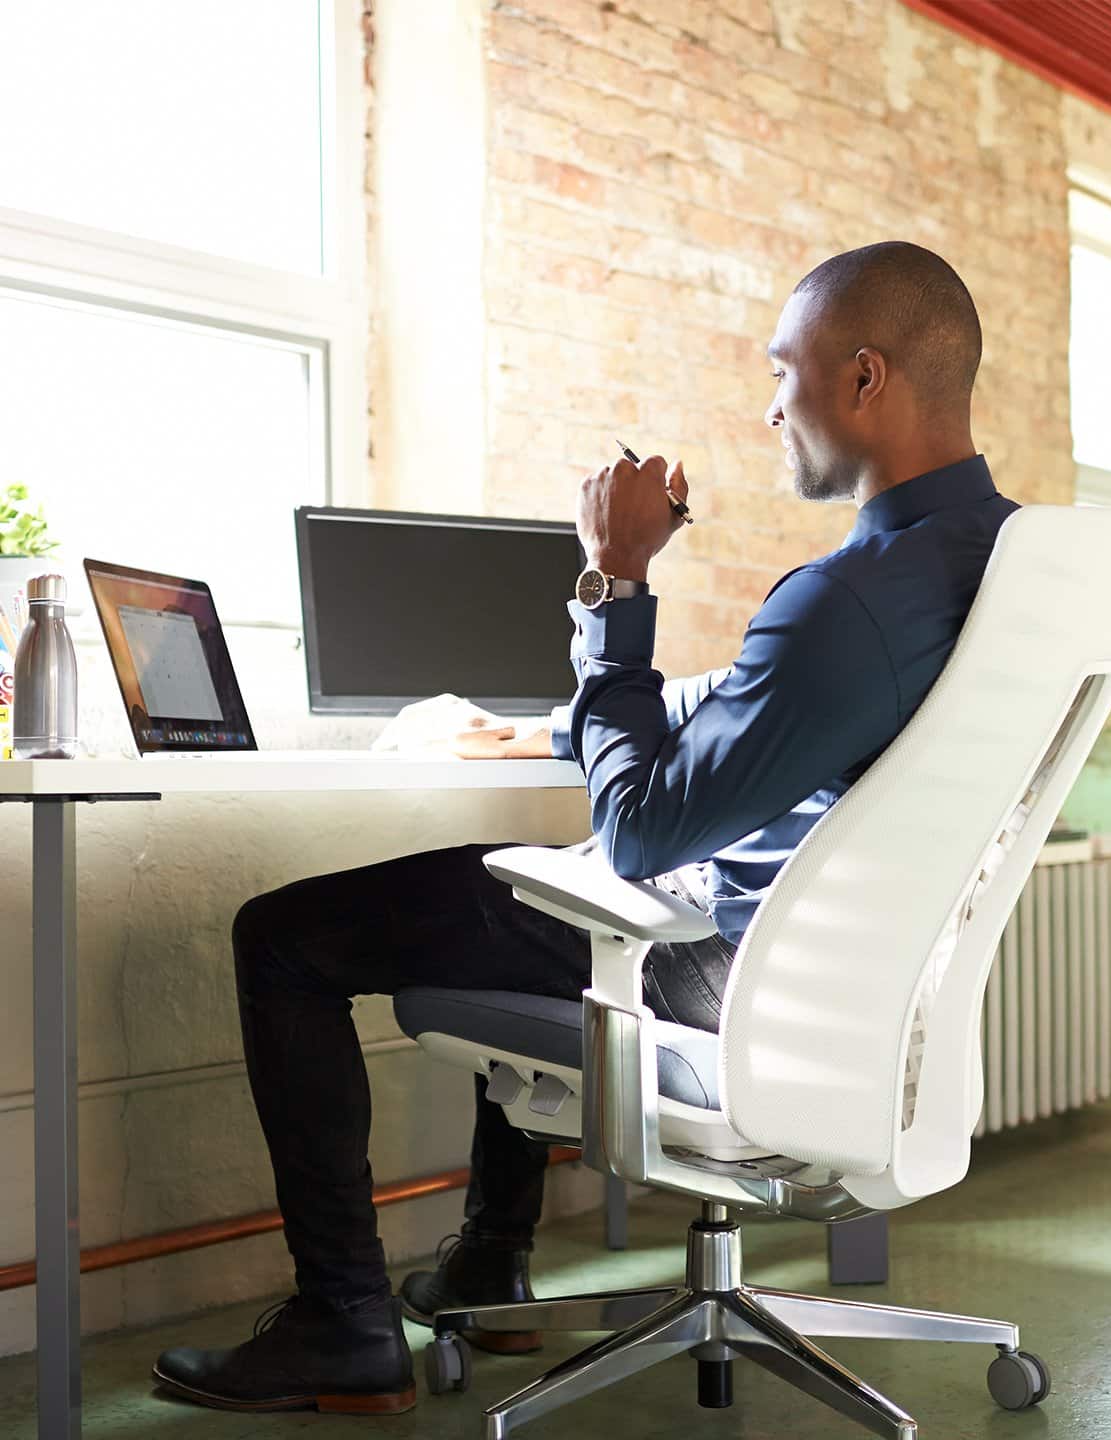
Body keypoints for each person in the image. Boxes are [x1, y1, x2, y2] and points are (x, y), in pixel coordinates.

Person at [152, 241, 1018, 1414]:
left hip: (739, 976)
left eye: (784, 372)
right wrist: (565, 726)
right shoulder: (998, 563)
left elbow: (642, 829)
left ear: (864, 378)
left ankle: (343, 1323)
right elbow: (781, 713)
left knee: (291, 936)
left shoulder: (847, 597)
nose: (771, 407)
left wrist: (614, 580)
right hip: (859, 970)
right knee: (523, 896)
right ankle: (487, 1261)